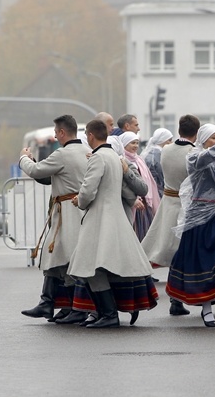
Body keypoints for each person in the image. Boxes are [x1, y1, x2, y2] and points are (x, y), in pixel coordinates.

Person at [67, 119, 158, 328]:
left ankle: (107, 314)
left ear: (90, 135)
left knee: (90, 267)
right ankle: (104, 313)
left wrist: (79, 201)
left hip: (99, 218)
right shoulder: (116, 158)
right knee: (97, 267)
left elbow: (88, 190)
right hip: (115, 216)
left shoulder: (98, 157)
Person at [165, 124, 215, 327]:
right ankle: (207, 308)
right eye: (213, 138)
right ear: (203, 140)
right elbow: (207, 158)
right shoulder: (194, 157)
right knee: (205, 257)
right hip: (201, 214)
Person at [19, 115, 89, 323]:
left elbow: (35, 171)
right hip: (76, 211)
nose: (54, 135)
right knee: (55, 259)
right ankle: (49, 304)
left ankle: (74, 307)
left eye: (56, 131)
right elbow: (49, 176)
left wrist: (24, 158)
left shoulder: (63, 154)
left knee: (67, 260)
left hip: (68, 213)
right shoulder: (87, 152)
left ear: (62, 132)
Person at [142, 114, 200, 317]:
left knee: (172, 251)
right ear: (197, 132)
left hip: (168, 202)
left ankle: (176, 299)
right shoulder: (193, 152)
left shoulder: (166, 150)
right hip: (186, 205)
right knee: (184, 253)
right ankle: (178, 298)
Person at [120, 131, 159, 242]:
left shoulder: (139, 159)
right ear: (124, 144)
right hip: (131, 205)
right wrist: (133, 199)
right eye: (132, 143)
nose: (136, 146)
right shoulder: (121, 160)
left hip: (144, 205)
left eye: (137, 143)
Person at [141, 128, 173, 198]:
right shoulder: (158, 154)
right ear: (163, 140)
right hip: (157, 192)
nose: (171, 143)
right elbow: (161, 174)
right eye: (169, 140)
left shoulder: (149, 152)